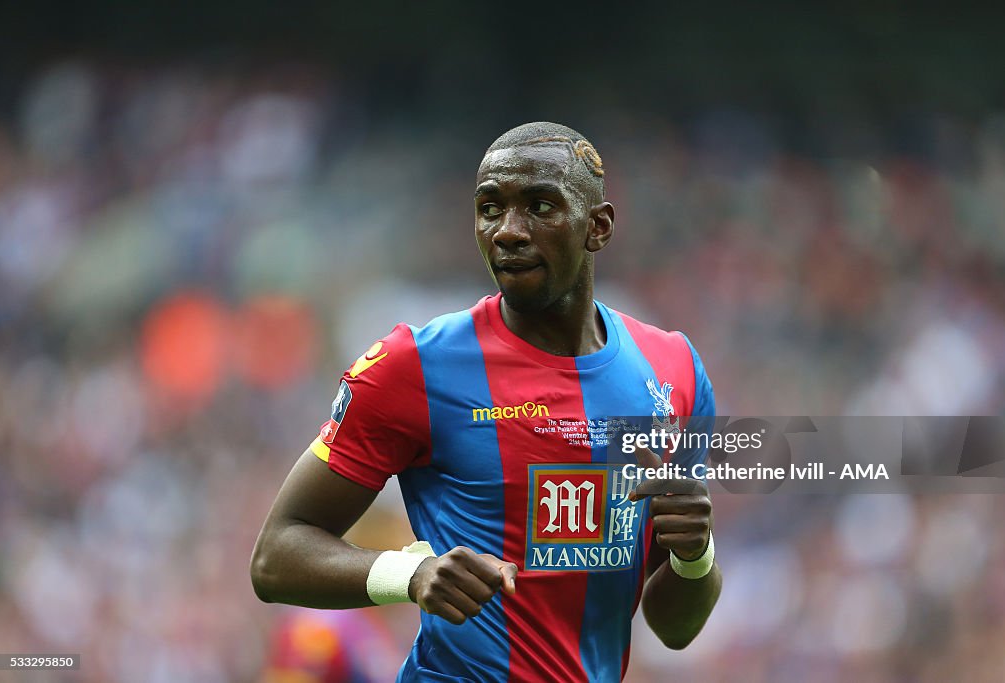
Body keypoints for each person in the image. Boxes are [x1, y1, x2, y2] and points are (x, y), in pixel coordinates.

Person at [251, 122, 722, 682]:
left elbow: (675, 628)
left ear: (598, 228)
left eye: (540, 206)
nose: (508, 231)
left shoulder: (674, 371)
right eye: (490, 207)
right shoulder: (414, 366)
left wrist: (697, 557)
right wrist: (411, 573)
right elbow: (276, 557)